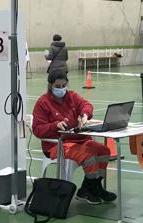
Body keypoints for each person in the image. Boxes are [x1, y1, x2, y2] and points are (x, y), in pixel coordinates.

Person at [32, 70, 116, 205]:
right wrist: (55, 125)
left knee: (103, 151)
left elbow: (86, 105)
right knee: (88, 156)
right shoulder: (42, 103)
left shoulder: (72, 96)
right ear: (50, 86)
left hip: (80, 139)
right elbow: (37, 130)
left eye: (64, 85)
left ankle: (92, 187)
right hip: (57, 144)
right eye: (57, 86)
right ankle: (90, 189)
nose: (61, 89)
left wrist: (85, 115)